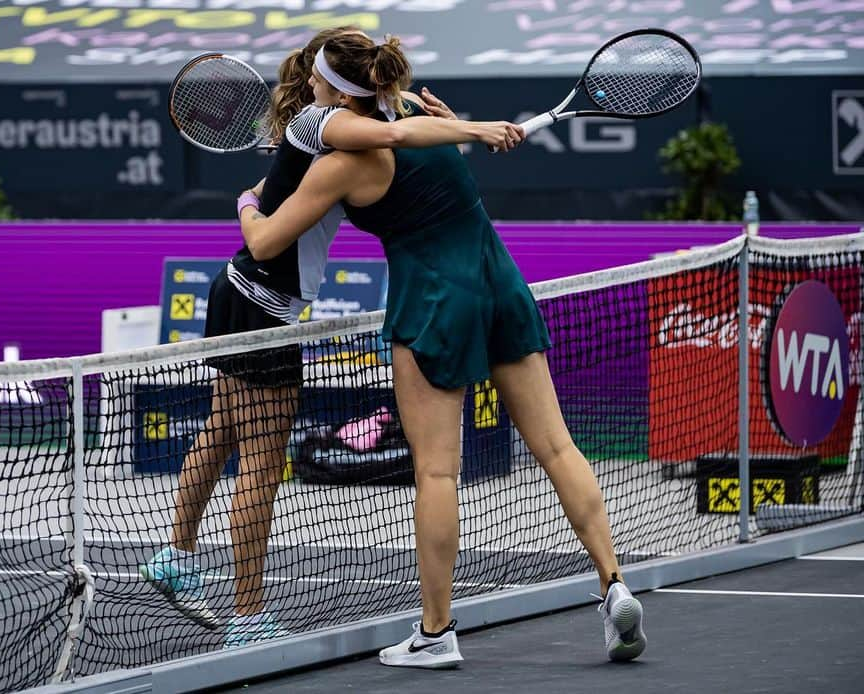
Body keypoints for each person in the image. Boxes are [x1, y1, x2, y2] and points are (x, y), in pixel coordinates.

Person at [237, 33, 647, 667]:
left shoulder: (340, 163)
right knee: (558, 445)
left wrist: (246, 203)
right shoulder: (424, 117)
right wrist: (467, 129)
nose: (309, 90)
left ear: (336, 91)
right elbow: (430, 160)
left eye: (317, 83)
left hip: (433, 301)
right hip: (500, 282)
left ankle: (434, 632)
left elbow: (264, 245)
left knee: (436, 472)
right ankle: (613, 582)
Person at [140, 27, 526, 650]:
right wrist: (480, 130)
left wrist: (251, 198)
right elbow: (392, 135)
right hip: (262, 307)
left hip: (238, 294)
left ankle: (175, 557)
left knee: (221, 433)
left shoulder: (320, 128)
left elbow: (397, 127)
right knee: (262, 465)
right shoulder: (322, 122)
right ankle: (247, 616)